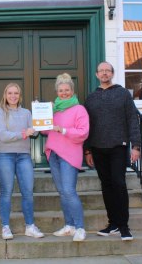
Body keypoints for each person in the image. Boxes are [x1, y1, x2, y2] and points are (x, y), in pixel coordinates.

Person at [84, 61, 141, 241]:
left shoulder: (123, 94)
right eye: (101, 71)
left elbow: (133, 119)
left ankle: (124, 226)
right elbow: (86, 126)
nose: (104, 74)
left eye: (107, 71)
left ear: (112, 73)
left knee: (119, 183)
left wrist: (136, 146)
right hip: (98, 148)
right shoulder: (91, 98)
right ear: (96, 75)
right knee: (106, 186)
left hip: (118, 145)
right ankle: (113, 223)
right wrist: (87, 151)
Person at [0, 83, 44, 240]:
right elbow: (3, 135)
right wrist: (23, 133)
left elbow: (34, 134)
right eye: (10, 93)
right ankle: (5, 227)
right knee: (6, 192)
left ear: (20, 95)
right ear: (5, 95)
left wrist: (39, 121)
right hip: (5, 156)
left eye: (16, 93)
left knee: (28, 192)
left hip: (24, 156)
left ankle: (30, 226)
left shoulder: (27, 112)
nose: (13, 96)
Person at [42, 73, 90, 242]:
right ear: (57, 92)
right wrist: (40, 117)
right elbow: (45, 130)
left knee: (69, 191)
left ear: (72, 90)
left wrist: (62, 130)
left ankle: (80, 227)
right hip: (54, 154)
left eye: (67, 90)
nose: (64, 93)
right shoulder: (54, 109)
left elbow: (83, 133)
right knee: (62, 192)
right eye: (61, 90)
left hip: (69, 156)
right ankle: (69, 226)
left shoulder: (79, 109)